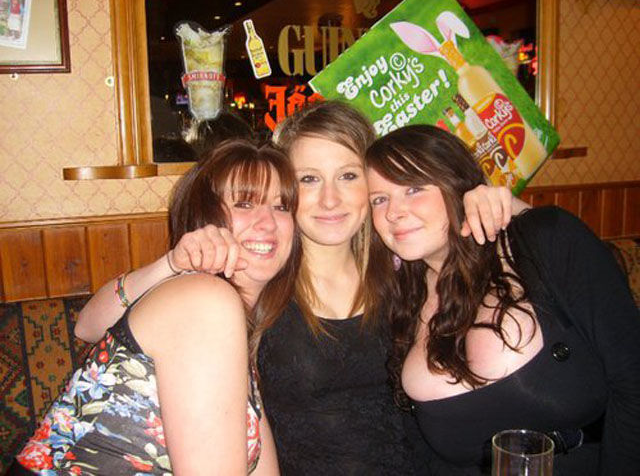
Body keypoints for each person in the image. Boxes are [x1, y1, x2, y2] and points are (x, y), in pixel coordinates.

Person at [73, 101, 522, 475]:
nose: (330, 199)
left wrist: (492, 201)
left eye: (348, 176)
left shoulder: (404, 265)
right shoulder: (259, 276)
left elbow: (509, 265)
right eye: (309, 179)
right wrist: (170, 263)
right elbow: (91, 327)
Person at [364, 124, 640, 475]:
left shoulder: (542, 240)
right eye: (379, 199)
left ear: (455, 184)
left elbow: (632, 378)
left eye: (414, 188)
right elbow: (416, 446)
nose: (393, 212)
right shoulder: (398, 298)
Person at [11, 140, 296, 475]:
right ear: (207, 216)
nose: (268, 222)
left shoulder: (236, 325)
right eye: (245, 203)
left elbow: (86, 326)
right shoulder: (204, 303)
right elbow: (86, 326)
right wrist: (172, 262)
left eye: (281, 207)